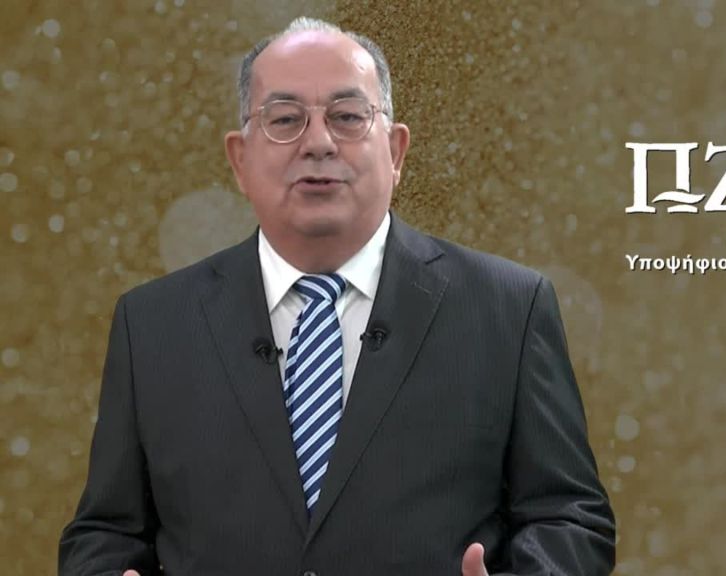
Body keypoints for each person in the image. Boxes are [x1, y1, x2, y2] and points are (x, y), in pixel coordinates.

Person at [58, 16, 615, 576]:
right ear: (240, 159)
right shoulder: (152, 324)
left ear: (396, 151)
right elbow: (104, 534)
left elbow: (570, 517)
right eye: (284, 119)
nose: (319, 143)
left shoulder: (507, 309)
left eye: (347, 117)